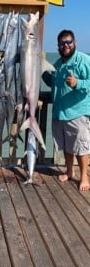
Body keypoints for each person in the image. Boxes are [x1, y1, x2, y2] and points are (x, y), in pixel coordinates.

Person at [42, 29, 90, 191]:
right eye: (62, 43)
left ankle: (84, 177)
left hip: (77, 113)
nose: (66, 45)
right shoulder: (58, 64)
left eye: (69, 42)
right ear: (58, 46)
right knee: (67, 147)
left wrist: (78, 83)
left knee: (81, 148)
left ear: (74, 43)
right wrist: (40, 69)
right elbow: (52, 83)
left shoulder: (84, 60)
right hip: (60, 113)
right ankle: (70, 171)